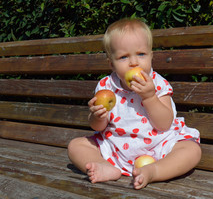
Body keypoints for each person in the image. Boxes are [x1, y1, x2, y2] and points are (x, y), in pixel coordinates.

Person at [67, 18, 201, 190]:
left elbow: (164, 123)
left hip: (159, 147)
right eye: (123, 57)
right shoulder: (106, 87)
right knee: (76, 146)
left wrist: (150, 97)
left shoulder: (158, 84)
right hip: (116, 148)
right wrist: (96, 116)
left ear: (151, 56)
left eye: (141, 54)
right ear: (111, 64)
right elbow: (99, 127)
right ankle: (105, 166)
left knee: (191, 150)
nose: (134, 62)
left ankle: (154, 171)